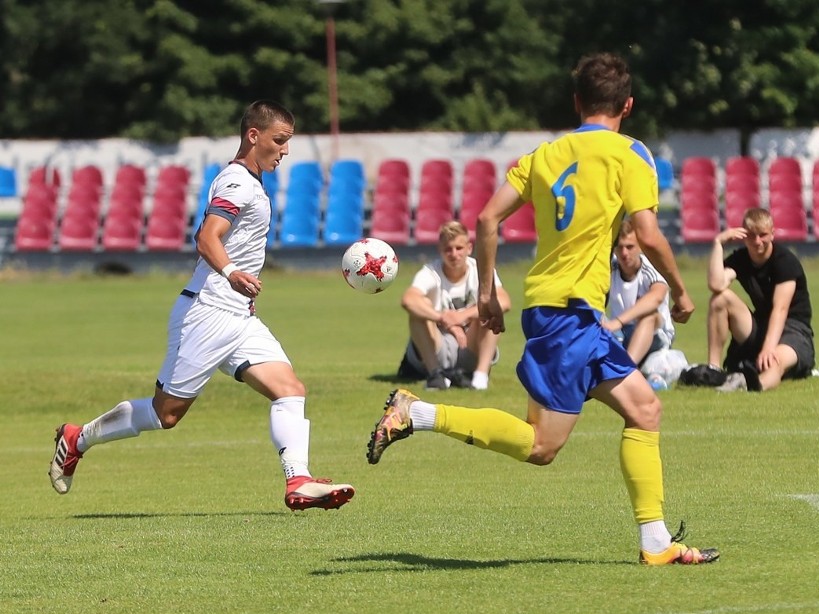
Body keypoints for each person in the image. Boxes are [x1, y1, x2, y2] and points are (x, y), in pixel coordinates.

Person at [367, 52, 719, 565]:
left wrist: (486, 291)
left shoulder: (545, 154)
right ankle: (416, 412)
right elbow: (646, 233)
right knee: (541, 447)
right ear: (628, 104)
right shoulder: (633, 154)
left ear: (577, 102)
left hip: (568, 315)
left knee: (645, 409)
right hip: (567, 318)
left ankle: (656, 543)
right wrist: (682, 292)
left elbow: (487, 219)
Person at [49, 100, 354, 511]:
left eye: (289, 142)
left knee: (290, 390)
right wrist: (232, 274)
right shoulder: (238, 182)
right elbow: (207, 237)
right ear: (253, 135)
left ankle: (297, 479)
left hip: (239, 317)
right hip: (207, 313)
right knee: (166, 415)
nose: (285, 150)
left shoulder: (250, 182)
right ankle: (77, 438)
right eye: (280, 140)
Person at [708, 207, 815, 392]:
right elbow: (716, 284)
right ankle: (713, 371)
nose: (757, 241)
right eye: (751, 235)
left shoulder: (785, 261)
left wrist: (768, 348)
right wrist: (718, 244)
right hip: (762, 324)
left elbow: (780, 309)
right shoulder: (741, 259)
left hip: (795, 330)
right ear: (742, 235)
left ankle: (754, 385)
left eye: (763, 235)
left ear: (772, 234)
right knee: (719, 299)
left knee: (774, 361)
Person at [399, 220, 511, 391]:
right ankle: (435, 375)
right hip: (438, 347)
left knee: (490, 309)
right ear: (440, 250)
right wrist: (443, 318)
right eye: (448, 249)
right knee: (419, 310)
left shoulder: (480, 270)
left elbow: (504, 302)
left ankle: (480, 377)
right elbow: (408, 299)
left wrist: (462, 316)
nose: (454, 254)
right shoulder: (430, 272)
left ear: (469, 248)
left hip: (471, 346)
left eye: (459, 248)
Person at [602, 219, 675, 366]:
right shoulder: (609, 268)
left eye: (630, 247)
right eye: (619, 247)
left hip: (656, 337)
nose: (624, 253)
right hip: (620, 334)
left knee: (649, 315)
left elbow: (656, 297)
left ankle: (627, 368)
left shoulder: (652, 267)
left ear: (640, 247)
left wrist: (618, 321)